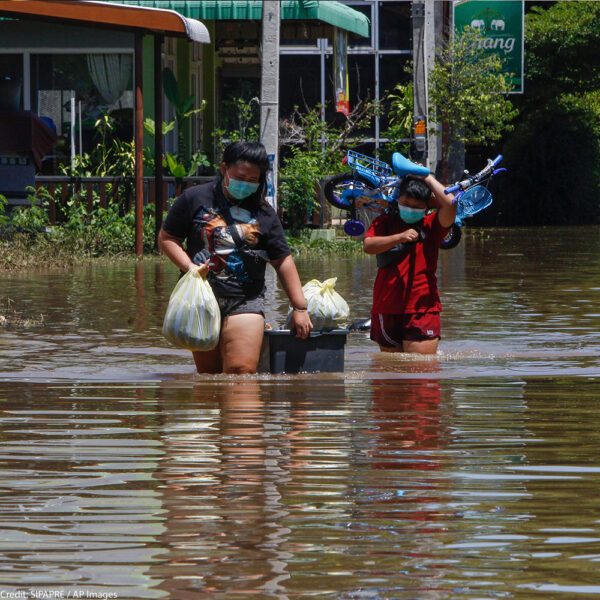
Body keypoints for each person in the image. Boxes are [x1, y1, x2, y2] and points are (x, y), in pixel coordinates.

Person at [158, 141, 313, 374]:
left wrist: (300, 307)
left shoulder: (264, 213)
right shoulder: (194, 198)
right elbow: (167, 238)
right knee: (209, 376)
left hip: (245, 300)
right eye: (241, 177)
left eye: (254, 180)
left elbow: (282, 260)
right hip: (201, 300)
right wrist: (189, 266)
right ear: (224, 169)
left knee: (241, 371)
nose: (246, 184)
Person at [363, 173, 455, 354]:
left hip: (423, 307)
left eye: (417, 207)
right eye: (406, 204)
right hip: (386, 306)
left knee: (422, 372)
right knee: (391, 375)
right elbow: (368, 245)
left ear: (427, 206)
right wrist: (400, 237)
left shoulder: (432, 224)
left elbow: (450, 203)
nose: (411, 209)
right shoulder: (385, 221)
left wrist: (427, 178)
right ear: (398, 200)